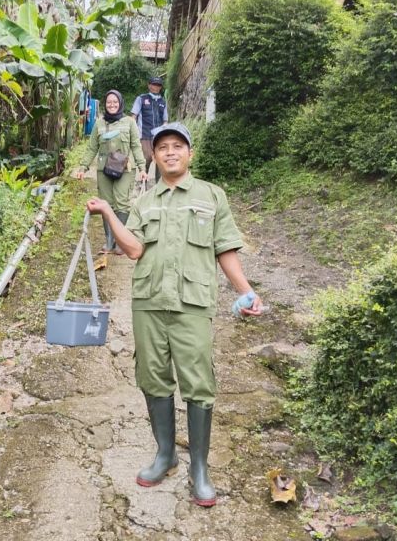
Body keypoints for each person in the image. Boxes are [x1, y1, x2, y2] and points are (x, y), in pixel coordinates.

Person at [86, 122, 263, 507]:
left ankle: (199, 468)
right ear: (154, 155)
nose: (169, 152)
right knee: (153, 378)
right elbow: (133, 249)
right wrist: (106, 212)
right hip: (149, 302)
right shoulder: (144, 203)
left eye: (177, 146)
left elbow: (225, 249)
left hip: (193, 303)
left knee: (198, 382)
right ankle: (165, 455)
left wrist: (246, 291)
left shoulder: (211, 196)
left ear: (189, 154)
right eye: (162, 146)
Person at [76, 90, 148, 254]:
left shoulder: (129, 122)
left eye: (115, 102)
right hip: (104, 169)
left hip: (125, 168)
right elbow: (92, 147)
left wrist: (143, 168)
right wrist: (83, 167)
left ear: (120, 103)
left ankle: (120, 242)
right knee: (106, 203)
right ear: (105, 104)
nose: (112, 105)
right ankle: (109, 241)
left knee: (122, 202)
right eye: (109, 102)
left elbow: (136, 146)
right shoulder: (99, 124)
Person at [131, 76, 168, 178]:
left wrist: (164, 130)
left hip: (159, 137)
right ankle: (143, 180)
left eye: (158, 85)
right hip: (144, 135)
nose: (155, 87)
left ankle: (159, 184)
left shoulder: (163, 102)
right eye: (153, 84)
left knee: (160, 160)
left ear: (160, 87)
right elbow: (133, 117)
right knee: (146, 158)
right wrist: (133, 132)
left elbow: (165, 121)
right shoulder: (141, 99)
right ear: (149, 85)